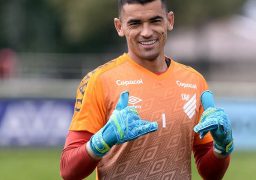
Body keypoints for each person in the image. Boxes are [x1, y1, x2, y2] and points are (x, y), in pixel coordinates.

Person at [60, 0, 234, 179]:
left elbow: (210, 174)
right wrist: (101, 141)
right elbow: (68, 171)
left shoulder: (194, 81)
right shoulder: (99, 81)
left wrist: (221, 149)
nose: (146, 32)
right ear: (120, 27)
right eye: (135, 23)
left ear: (169, 21)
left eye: (155, 21)